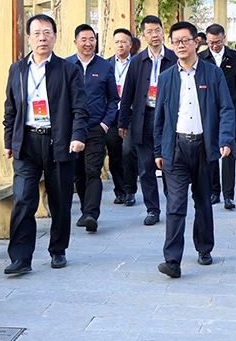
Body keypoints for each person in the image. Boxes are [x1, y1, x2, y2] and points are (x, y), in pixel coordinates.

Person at [2, 14, 88, 275]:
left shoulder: (68, 70)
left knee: (60, 200)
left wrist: (78, 136)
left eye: (47, 32)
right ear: (29, 37)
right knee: (23, 200)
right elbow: (10, 108)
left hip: (58, 142)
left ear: (55, 37)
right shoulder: (17, 69)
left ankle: (58, 249)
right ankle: (20, 258)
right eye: (37, 33)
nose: (42, 38)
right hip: (27, 143)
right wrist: (9, 140)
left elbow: (80, 108)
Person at [153, 21, 235, 278]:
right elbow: (159, 117)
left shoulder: (212, 73)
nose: (180, 45)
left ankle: (204, 247)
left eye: (185, 40)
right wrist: (158, 151)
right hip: (176, 148)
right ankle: (172, 260)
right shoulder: (166, 77)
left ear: (196, 42)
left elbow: (226, 108)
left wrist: (225, 140)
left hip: (203, 147)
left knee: (203, 201)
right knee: (175, 204)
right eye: (175, 41)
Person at [118, 15, 177, 226]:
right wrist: (123, 122)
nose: (154, 35)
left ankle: (173, 205)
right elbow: (127, 93)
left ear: (163, 32)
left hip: (168, 119)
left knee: (169, 164)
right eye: (150, 32)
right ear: (143, 35)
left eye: (157, 30)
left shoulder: (173, 58)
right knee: (145, 168)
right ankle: (152, 209)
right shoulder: (137, 61)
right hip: (143, 118)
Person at [65, 24, 119, 234]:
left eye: (92, 39)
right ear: (75, 42)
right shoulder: (67, 65)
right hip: (72, 129)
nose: (88, 43)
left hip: (96, 127)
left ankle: (91, 214)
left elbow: (113, 99)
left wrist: (105, 123)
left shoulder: (105, 66)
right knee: (78, 172)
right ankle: (84, 210)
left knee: (92, 170)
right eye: (84, 39)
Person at [199, 23, 236, 210]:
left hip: (230, 110)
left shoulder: (234, 57)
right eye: (211, 43)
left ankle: (229, 195)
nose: (214, 46)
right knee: (211, 152)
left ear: (224, 38)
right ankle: (214, 191)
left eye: (217, 42)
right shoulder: (201, 58)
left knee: (229, 153)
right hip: (209, 111)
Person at [105, 28, 138, 206]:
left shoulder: (138, 64)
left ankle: (130, 190)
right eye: (117, 42)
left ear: (130, 45)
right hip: (112, 114)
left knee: (128, 151)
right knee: (114, 153)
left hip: (131, 114)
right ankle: (120, 191)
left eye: (124, 42)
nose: (120, 45)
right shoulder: (106, 64)